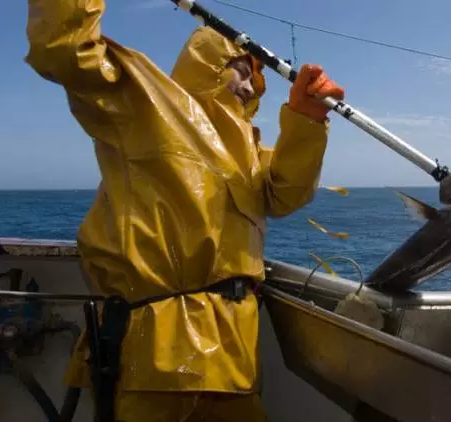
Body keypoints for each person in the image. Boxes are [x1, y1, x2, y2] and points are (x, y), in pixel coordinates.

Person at [25, 0, 344, 420]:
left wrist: (306, 119)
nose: (250, 88)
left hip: (233, 359)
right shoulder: (148, 103)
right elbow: (66, 52)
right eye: (241, 71)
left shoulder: (246, 150)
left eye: (255, 81)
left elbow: (286, 193)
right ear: (208, 64)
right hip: (154, 359)